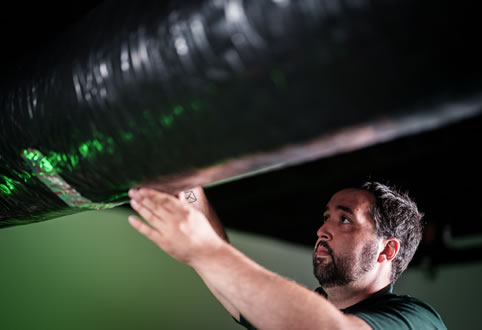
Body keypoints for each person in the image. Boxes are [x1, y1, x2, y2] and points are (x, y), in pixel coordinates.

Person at [127, 181, 446, 329]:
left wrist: (204, 250)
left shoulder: (414, 321)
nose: (323, 231)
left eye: (345, 219)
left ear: (387, 250)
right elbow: (238, 293)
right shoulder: (308, 308)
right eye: (326, 217)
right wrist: (187, 187)